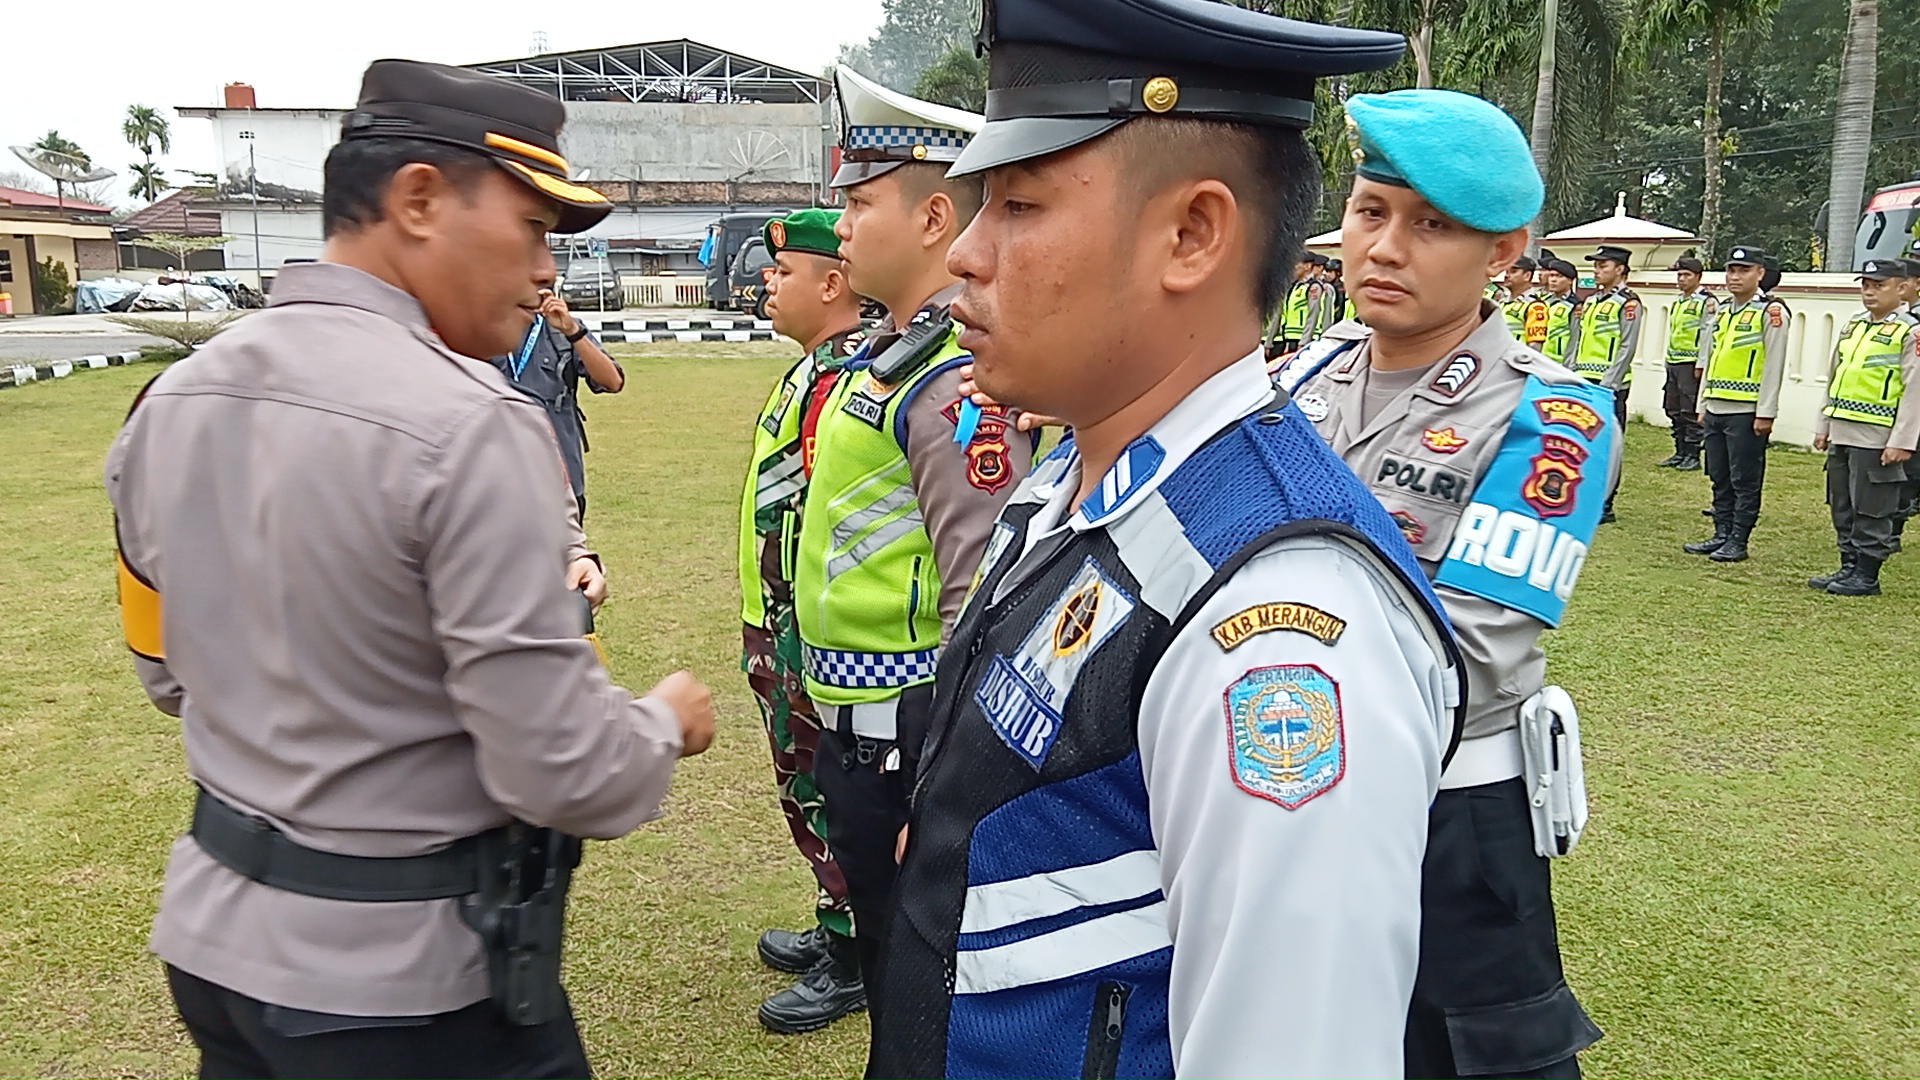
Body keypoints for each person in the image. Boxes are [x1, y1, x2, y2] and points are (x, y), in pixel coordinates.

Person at [869, 3, 1467, 1077]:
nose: (963, 250)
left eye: (1019, 203)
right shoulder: (1083, 472)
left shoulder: (1279, 624)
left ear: (1192, 235)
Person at [105, 60, 715, 1079]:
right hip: (404, 995)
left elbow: (166, 672)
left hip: (219, 948)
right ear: (421, 199)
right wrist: (663, 721)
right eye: (530, 230)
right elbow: (564, 769)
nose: (541, 272)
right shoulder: (471, 427)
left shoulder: (172, 400)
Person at [1274, 88, 1611, 1080]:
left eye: (1432, 227)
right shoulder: (1305, 374)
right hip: (1297, 776)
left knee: (1475, 1056)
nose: (1383, 247)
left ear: (1502, 253)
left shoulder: (1551, 420)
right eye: (1372, 213)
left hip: (1450, 816)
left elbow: (1468, 650)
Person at [794, 65, 1037, 1038]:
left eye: (859, 203)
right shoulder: (888, 356)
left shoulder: (952, 379)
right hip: (857, 721)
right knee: (890, 948)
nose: (841, 226)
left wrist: (943, 782)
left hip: (910, 735)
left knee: (916, 980)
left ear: (936, 217)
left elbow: (986, 590)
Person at [738, 208, 869, 1031]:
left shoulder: (850, 379)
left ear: (830, 284)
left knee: (825, 786)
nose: (768, 284)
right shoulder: (811, 372)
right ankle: (834, 923)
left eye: (784, 273)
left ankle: (853, 952)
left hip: (806, 629)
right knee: (803, 785)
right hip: (776, 616)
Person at [1808, 258, 1920, 596]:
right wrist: (1823, 424)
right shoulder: (1853, 326)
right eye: (1865, 284)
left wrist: (1902, 440)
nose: (1869, 291)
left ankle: (1867, 574)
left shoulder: (1910, 331)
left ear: (1901, 288)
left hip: (1878, 434)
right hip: (1843, 428)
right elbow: (1835, 378)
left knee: (1873, 506)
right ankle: (1848, 565)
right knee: (1841, 502)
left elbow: (1915, 390)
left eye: (1879, 284)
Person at [1685, 244, 1789, 563]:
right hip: (1717, 405)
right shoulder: (1724, 311)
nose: (1735, 276)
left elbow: (1774, 364)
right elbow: (1713, 358)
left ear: (1760, 273)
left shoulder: (1771, 312)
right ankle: (1721, 531)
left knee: (1744, 477)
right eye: (1731, 270)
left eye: (1744, 270)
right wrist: (1703, 401)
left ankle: (1738, 539)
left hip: (1746, 410)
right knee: (1719, 474)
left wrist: (1766, 411)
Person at [487, 282, 624, 523]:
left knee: (563, 557)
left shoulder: (561, 331)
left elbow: (613, 381)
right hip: (501, 474)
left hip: (562, 472)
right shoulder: (485, 330)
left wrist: (572, 330)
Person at [1568, 245, 1639, 522]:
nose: (1597, 271)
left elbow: (1627, 346)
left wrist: (1610, 382)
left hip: (1609, 385)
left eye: (1603, 266)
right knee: (1584, 441)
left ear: (1620, 269)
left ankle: (1606, 502)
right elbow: (1579, 341)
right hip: (1585, 379)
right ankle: (1586, 497)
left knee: (1609, 444)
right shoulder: (1593, 301)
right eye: (1596, 266)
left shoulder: (1628, 303)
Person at [1658, 256, 1717, 470]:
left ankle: (1692, 454)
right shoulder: (1679, 301)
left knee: (1689, 409)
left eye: (1686, 275)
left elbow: (1707, 334)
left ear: (1698, 277)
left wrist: (1701, 363)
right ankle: (1680, 450)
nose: (1681, 279)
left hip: (1691, 363)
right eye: (1679, 275)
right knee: (1672, 407)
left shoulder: (1707, 302)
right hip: (1674, 361)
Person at [1268, 250, 1333, 355]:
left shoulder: (1313, 287)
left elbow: (1313, 315)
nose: (1293, 267)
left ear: (1307, 266)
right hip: (1289, 337)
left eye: (1296, 263)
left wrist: (1304, 342)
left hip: (1305, 339)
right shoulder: (1294, 287)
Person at [1537, 255, 1581, 367]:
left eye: (1559, 276)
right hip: (1539, 360)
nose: (1553, 280)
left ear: (1570, 281)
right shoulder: (1543, 302)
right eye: (1551, 275)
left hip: (1560, 363)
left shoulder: (1574, 305)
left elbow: (1575, 339)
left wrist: (1569, 366)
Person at [1497, 255, 1540, 340]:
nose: (1507, 276)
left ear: (1527, 275)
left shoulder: (1534, 305)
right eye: (1506, 272)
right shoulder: (1502, 302)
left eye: (1513, 271)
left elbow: (1535, 343)